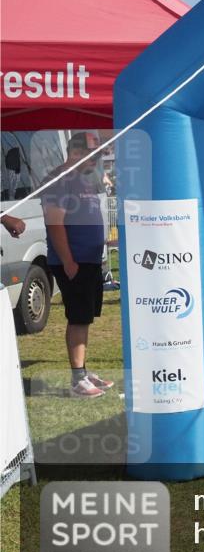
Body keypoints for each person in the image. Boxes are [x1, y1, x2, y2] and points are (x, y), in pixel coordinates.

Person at [41, 132, 114, 398]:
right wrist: (69, 261)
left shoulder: (84, 179)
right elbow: (54, 222)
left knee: (85, 318)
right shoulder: (60, 180)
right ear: (76, 153)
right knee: (78, 317)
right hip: (74, 261)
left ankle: (83, 371)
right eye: (94, 153)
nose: (98, 158)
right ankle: (77, 379)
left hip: (90, 259)